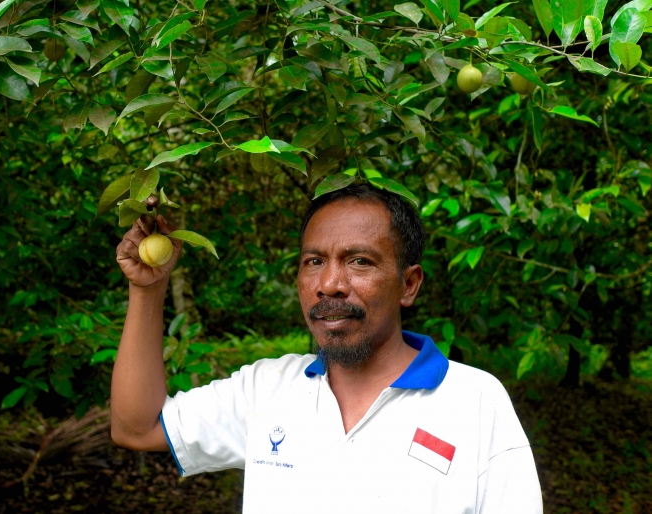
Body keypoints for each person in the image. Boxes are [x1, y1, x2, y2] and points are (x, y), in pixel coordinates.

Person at [111, 183, 543, 513]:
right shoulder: (266, 389)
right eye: (314, 261)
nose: (329, 285)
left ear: (408, 284)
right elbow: (136, 428)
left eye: (359, 261)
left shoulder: (475, 401)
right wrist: (148, 291)